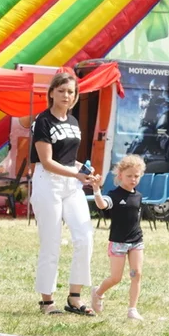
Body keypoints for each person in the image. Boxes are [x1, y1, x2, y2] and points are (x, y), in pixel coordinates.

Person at [29, 70, 100, 316]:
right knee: (51, 242)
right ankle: (47, 301)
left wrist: (87, 172)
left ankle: (75, 297)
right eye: (61, 91)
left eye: (71, 92)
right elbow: (47, 161)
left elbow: (70, 159)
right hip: (48, 182)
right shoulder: (43, 121)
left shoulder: (73, 122)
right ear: (51, 93)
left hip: (71, 183)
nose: (66, 96)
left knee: (85, 237)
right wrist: (76, 175)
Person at [92, 155, 146, 320]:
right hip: (118, 242)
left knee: (136, 273)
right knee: (116, 278)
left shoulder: (138, 196)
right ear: (120, 175)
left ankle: (132, 309)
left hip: (136, 241)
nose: (133, 179)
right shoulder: (114, 195)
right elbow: (102, 204)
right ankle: (98, 292)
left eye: (136, 176)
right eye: (129, 176)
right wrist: (96, 190)